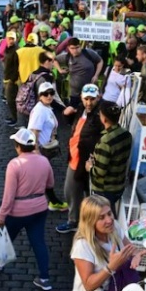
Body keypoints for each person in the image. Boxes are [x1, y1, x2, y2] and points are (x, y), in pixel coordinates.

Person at [0, 128, 55, 291]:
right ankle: (44, 278)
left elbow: (8, 197)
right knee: (39, 243)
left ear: (18, 146)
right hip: (39, 209)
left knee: (5, 236)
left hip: (18, 212)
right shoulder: (44, 161)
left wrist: (1, 216)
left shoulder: (14, 165)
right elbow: (50, 184)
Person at [57, 84, 104, 234]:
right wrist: (66, 115)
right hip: (75, 158)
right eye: (86, 99)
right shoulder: (80, 109)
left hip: (88, 161)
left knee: (89, 194)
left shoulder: (100, 115)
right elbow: (74, 125)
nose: (89, 103)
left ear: (98, 98)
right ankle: (74, 220)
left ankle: (87, 223)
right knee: (70, 191)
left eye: (92, 99)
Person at [87, 101, 132, 215]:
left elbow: (99, 173)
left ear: (104, 119)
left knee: (101, 218)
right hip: (119, 187)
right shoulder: (126, 134)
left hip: (104, 190)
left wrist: (89, 167)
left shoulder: (105, 142)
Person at [55, 38, 104, 119]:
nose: (75, 50)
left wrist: (96, 75)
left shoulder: (88, 53)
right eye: (72, 48)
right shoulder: (67, 57)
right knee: (74, 116)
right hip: (75, 94)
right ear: (68, 48)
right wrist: (60, 70)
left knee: (91, 115)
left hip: (89, 93)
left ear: (80, 46)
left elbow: (100, 61)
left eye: (77, 47)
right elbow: (54, 59)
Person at [2, 32, 22, 126]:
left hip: (12, 79)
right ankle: (13, 116)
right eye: (9, 38)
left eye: (12, 39)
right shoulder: (8, 48)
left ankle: (15, 119)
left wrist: (12, 79)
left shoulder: (16, 50)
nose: (11, 40)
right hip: (7, 77)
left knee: (11, 99)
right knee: (9, 99)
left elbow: (17, 66)